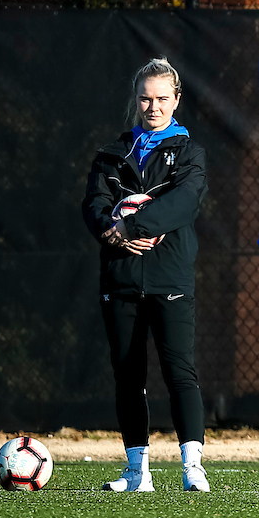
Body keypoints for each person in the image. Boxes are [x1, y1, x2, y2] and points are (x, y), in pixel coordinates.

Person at [82, 58, 210, 493]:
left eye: (161, 98)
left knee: (180, 373)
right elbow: (93, 206)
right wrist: (114, 234)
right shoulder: (112, 154)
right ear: (135, 101)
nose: (152, 106)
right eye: (144, 98)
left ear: (176, 99)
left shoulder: (189, 153)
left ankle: (193, 466)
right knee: (127, 375)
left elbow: (185, 203)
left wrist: (134, 226)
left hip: (169, 278)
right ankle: (137, 471)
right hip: (120, 278)